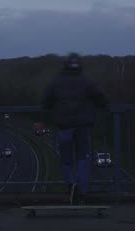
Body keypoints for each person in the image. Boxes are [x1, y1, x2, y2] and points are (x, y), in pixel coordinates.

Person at [41, 52, 110, 204]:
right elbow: (101, 97)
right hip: (83, 125)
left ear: (65, 66)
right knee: (83, 157)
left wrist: (51, 113)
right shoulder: (87, 82)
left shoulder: (56, 82)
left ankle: (70, 185)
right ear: (80, 66)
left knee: (66, 158)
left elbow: (45, 102)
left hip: (64, 125)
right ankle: (82, 190)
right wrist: (102, 107)